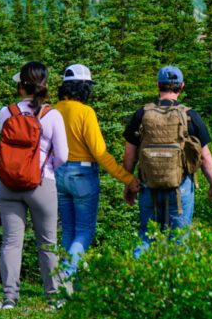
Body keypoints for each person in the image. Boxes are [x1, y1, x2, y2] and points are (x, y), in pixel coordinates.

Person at [54, 64, 141, 279]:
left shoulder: (52, 110)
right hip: (82, 175)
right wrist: (128, 178)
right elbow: (100, 153)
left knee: (68, 231)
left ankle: (64, 281)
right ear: (84, 87)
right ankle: (66, 277)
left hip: (58, 174)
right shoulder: (85, 112)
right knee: (84, 231)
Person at [122, 66, 212, 254]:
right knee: (179, 240)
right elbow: (205, 157)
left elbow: (130, 155)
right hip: (180, 187)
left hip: (148, 185)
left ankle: (136, 280)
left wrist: (128, 184)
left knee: (146, 236)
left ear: (158, 85)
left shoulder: (142, 114)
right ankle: (175, 281)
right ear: (181, 86)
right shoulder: (190, 116)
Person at [0, 62, 68, 310]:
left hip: (7, 184)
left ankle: (9, 299)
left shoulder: (6, 112)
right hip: (41, 183)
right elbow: (64, 156)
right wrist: (47, 168)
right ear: (44, 86)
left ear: (20, 86)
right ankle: (54, 298)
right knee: (47, 243)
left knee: (11, 242)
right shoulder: (52, 115)